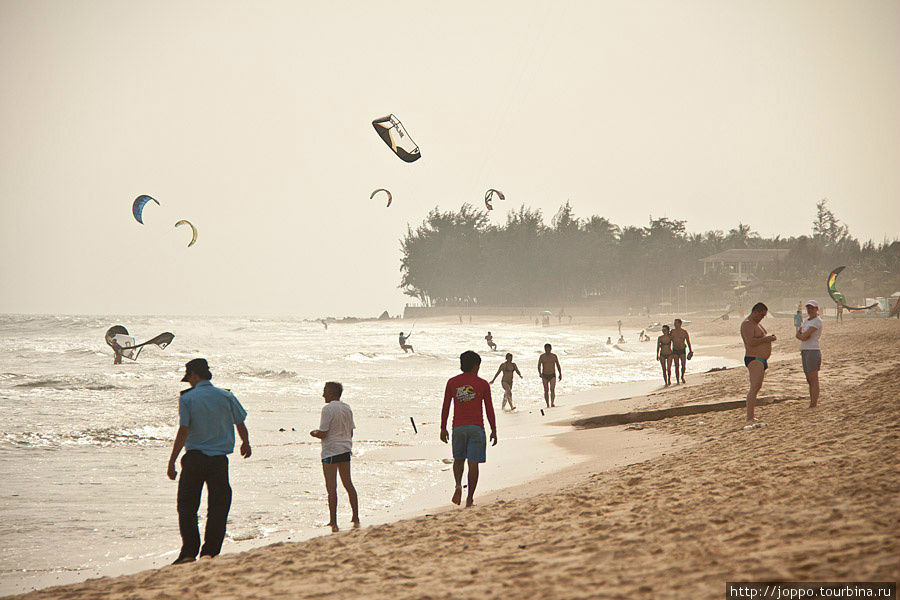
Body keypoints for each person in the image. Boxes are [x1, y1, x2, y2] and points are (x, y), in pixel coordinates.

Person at [167, 359, 251, 565]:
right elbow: (240, 422)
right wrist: (246, 443)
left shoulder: (188, 398)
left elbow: (183, 430)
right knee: (219, 506)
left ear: (194, 375)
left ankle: (188, 552)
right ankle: (210, 552)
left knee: (187, 506)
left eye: (189, 379)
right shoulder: (226, 395)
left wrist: (172, 460)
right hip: (219, 461)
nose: (189, 383)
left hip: (194, 459)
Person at [440, 351, 497, 507]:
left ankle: (458, 485)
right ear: (475, 366)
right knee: (473, 464)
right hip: (476, 428)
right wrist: (494, 429)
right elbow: (489, 409)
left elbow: (446, 406)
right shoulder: (483, 384)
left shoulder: (452, 382)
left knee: (458, 460)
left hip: (458, 428)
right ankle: (470, 499)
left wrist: (442, 428)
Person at [309, 382, 359, 532]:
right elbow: (350, 432)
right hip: (345, 449)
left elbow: (323, 432)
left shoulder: (327, 409)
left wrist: (314, 433)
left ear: (331, 393)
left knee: (331, 488)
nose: (323, 395)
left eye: (325, 391)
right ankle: (355, 516)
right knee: (348, 484)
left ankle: (333, 520)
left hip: (331, 451)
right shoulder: (347, 407)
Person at [741, 302, 777, 422]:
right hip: (754, 358)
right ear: (755, 312)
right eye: (761, 315)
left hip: (760, 359)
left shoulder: (757, 324)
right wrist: (767, 339)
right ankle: (749, 417)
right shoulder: (747, 324)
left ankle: (751, 416)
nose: (762, 318)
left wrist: (769, 338)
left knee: (757, 387)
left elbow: (760, 338)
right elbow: (750, 341)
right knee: (754, 387)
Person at [795, 300, 823, 409]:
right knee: (808, 378)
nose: (810, 310)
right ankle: (812, 401)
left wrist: (802, 335)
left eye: (812, 308)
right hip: (805, 350)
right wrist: (802, 336)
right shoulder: (806, 320)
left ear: (816, 309)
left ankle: (814, 403)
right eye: (808, 308)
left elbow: (805, 335)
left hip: (813, 350)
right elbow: (798, 334)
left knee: (813, 378)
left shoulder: (817, 321)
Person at [537, 343, 562, 407]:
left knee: (552, 389)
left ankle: (552, 402)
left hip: (552, 375)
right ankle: (547, 404)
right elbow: (539, 365)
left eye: (548, 349)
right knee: (546, 390)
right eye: (546, 349)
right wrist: (540, 373)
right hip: (544, 375)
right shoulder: (542, 356)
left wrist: (560, 374)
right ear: (544, 349)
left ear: (551, 349)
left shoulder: (554, 356)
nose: (547, 350)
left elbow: (558, 365)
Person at [670, 319, 693, 384]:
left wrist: (690, 350)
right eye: (674, 323)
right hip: (675, 350)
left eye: (676, 323)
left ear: (680, 324)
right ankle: (677, 379)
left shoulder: (684, 332)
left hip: (682, 350)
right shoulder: (672, 332)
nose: (675, 324)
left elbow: (688, 341)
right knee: (676, 366)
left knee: (683, 365)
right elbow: (669, 341)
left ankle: (682, 376)